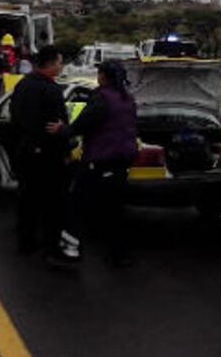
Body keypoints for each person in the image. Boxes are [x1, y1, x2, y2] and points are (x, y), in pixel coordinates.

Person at [47, 60, 139, 267]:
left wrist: (62, 130)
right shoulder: (128, 99)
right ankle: (120, 255)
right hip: (121, 162)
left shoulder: (102, 99)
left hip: (98, 161)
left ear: (103, 76)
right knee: (114, 210)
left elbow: (83, 124)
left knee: (76, 206)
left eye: (99, 73)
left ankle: (69, 253)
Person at [10, 45, 71, 260]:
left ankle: (26, 242)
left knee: (27, 198)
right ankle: (52, 247)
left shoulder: (23, 85)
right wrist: (65, 150)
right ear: (52, 63)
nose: (61, 66)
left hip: (25, 151)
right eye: (60, 61)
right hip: (48, 154)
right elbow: (58, 125)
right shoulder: (51, 90)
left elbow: (14, 118)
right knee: (53, 203)